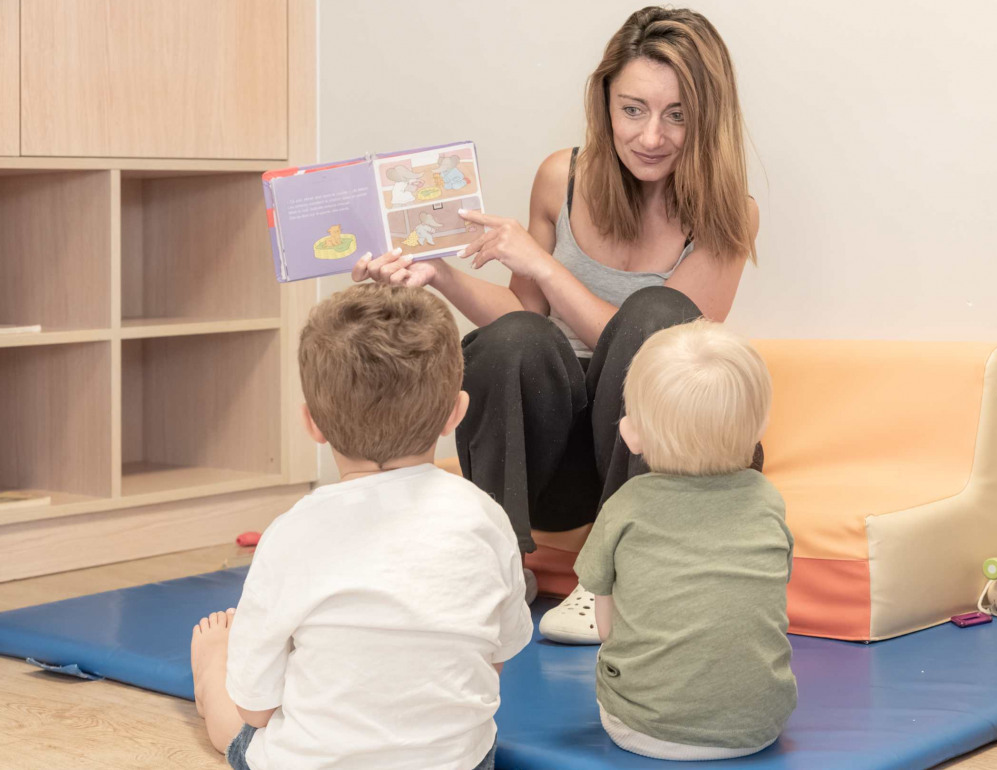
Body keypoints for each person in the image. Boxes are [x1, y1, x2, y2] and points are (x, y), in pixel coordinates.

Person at [354, 6, 759, 641]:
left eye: (677, 114)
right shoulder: (560, 177)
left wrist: (543, 265)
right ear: (605, 103)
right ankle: (499, 567)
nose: (652, 135)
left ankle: (612, 578)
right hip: (563, 465)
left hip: (660, 450)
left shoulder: (729, 213)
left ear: (708, 118)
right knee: (514, 338)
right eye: (633, 110)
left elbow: (663, 360)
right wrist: (441, 274)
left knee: (657, 316)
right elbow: (522, 325)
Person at [189, 285, 532, 770]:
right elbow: (497, 657)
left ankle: (208, 668)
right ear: (455, 413)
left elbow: (256, 708)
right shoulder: (486, 517)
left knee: (236, 727)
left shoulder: (292, 532)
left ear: (312, 424)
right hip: (458, 764)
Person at [574, 319, 796, 760]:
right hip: (759, 725)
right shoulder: (768, 499)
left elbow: (604, 620)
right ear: (760, 428)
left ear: (631, 433)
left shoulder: (626, 504)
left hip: (641, 728)